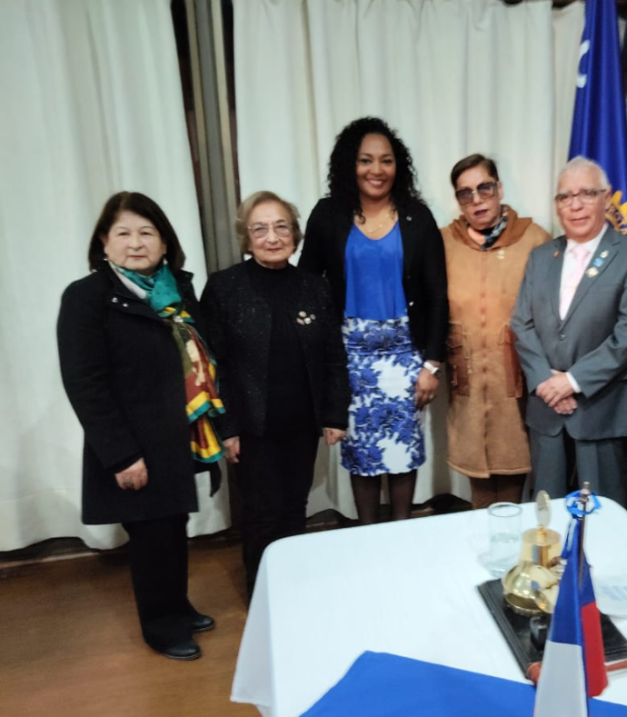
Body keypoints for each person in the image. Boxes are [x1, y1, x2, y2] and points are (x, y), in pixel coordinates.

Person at [57, 192, 222, 660]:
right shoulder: (87, 297)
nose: (136, 243)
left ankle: (177, 605)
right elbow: (84, 383)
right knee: (150, 537)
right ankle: (161, 626)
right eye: (124, 233)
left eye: (147, 232)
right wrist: (121, 455)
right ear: (104, 242)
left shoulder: (176, 291)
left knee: (172, 527)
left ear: (164, 242)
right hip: (135, 444)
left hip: (177, 435)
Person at [201, 191, 350, 597]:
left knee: (294, 507)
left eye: (281, 226)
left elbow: (334, 356)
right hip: (252, 427)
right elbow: (213, 365)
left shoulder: (315, 287)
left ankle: (290, 586)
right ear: (246, 239)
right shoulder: (224, 288)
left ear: (295, 235)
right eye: (260, 229)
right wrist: (226, 427)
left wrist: (335, 414)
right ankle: (262, 592)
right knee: (261, 513)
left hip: (301, 423)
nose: (272, 237)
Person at [299, 117, 448, 524]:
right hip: (350, 360)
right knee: (361, 454)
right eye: (366, 160)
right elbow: (307, 287)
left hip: (406, 358)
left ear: (398, 166)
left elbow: (437, 295)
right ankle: (365, 534)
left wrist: (432, 365)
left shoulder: (417, 217)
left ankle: (400, 531)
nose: (376, 170)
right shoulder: (328, 215)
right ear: (350, 164)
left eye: (386, 160)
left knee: (402, 453)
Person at [511, 157, 627, 504]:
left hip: (600, 409)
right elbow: (521, 323)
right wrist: (546, 382)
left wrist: (572, 381)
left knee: (601, 514)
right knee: (545, 512)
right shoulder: (541, 257)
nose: (575, 205)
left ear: (606, 197)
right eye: (565, 197)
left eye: (586, 194)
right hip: (546, 408)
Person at [442, 155, 551, 509]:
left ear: (499, 188)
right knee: (477, 477)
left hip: (515, 378)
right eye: (465, 193)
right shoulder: (444, 242)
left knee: (513, 471)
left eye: (484, 188)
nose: (477, 200)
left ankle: (511, 536)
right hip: (467, 379)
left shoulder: (535, 240)